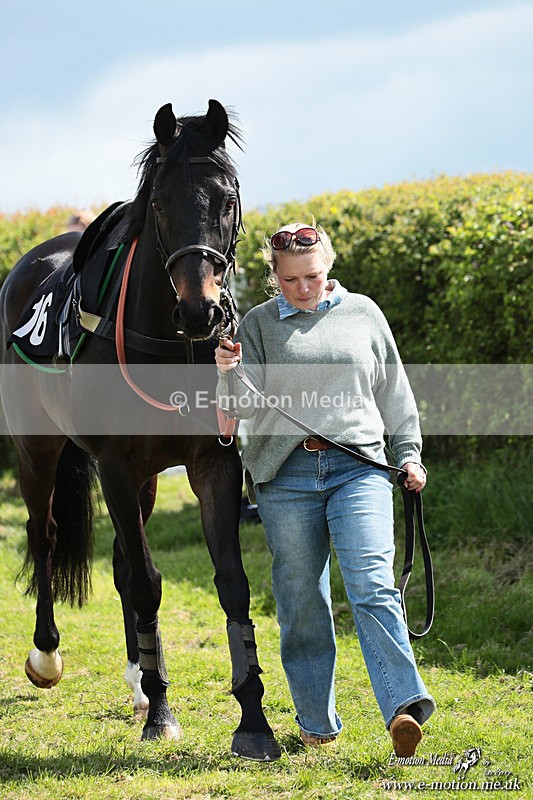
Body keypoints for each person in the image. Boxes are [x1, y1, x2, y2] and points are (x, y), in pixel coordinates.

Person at [215, 222, 435, 757]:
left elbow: (396, 393)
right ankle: (317, 721)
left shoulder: (364, 314)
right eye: (290, 280)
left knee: (373, 583)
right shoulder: (258, 325)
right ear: (275, 277)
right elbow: (230, 419)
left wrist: (409, 454)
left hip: (358, 469)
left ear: (328, 267)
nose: (303, 288)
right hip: (285, 478)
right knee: (300, 598)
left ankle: (404, 709)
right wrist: (226, 373)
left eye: (311, 276)